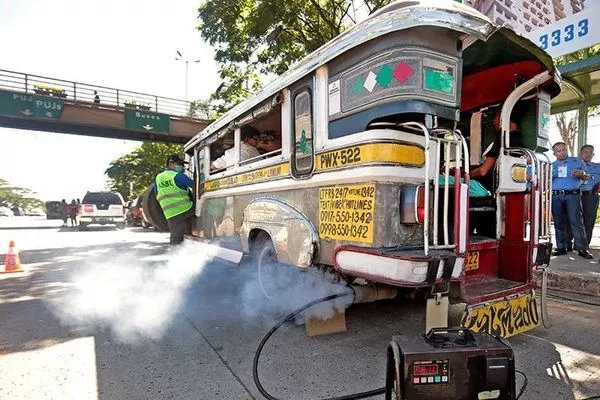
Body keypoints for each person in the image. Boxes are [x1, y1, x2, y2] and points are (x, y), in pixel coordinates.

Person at [550, 142, 592, 259]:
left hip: (572, 195)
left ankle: (582, 249)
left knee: (576, 222)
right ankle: (561, 247)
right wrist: (549, 175)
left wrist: (581, 174)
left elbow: (587, 176)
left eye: (564, 149)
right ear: (554, 153)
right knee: (558, 222)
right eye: (559, 151)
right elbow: (545, 180)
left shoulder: (577, 161)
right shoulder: (551, 165)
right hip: (556, 196)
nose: (562, 152)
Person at [469, 109, 524, 192]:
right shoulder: (520, 140)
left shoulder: (503, 139)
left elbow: (483, 171)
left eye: (496, 116)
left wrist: (467, 173)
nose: (494, 121)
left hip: (484, 187)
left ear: (504, 117)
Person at [566, 144, 600, 249]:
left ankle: (582, 247)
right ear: (580, 153)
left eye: (590, 152)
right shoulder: (572, 165)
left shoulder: (597, 167)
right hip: (573, 195)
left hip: (590, 196)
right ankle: (567, 244)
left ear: (593, 154)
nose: (588, 154)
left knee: (588, 221)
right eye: (585, 152)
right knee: (570, 219)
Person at [155, 154, 194, 244]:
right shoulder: (178, 176)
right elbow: (197, 185)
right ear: (171, 164)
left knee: (176, 237)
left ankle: (174, 253)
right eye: (179, 164)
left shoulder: (158, 178)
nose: (182, 167)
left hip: (169, 213)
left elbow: (156, 194)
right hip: (185, 210)